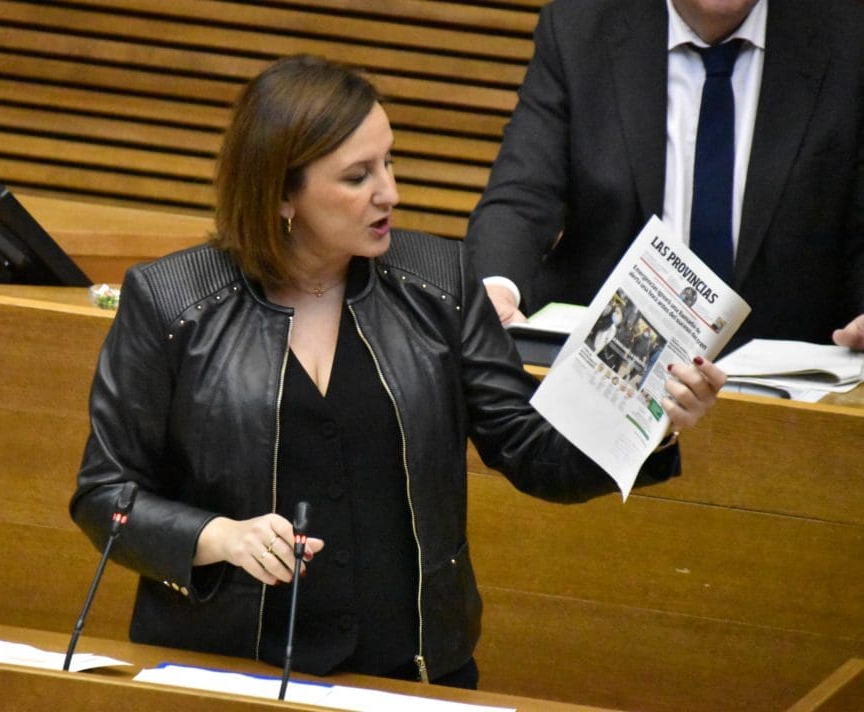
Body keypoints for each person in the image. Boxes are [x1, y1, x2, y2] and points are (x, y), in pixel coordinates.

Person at [69, 54, 727, 690]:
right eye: (358, 177)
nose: (390, 192)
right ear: (282, 194)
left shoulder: (440, 286)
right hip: (226, 670)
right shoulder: (173, 304)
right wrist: (218, 537)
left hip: (411, 672)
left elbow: (531, 450)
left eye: (389, 162)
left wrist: (653, 423)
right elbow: (105, 494)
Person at [465, 0, 864, 352]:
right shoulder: (581, 29)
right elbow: (521, 196)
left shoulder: (849, 41)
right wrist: (495, 291)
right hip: (608, 369)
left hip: (788, 381)